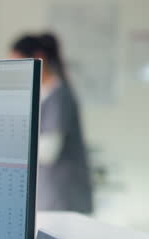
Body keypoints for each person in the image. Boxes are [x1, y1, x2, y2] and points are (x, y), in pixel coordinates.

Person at [11, 32, 93, 214]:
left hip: (63, 196)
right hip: (48, 193)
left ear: (38, 58)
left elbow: (48, 151)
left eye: (19, 63)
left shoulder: (59, 96)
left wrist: (11, 143)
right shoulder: (38, 95)